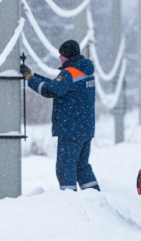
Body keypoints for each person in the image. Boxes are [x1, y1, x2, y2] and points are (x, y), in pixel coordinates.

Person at [21, 40, 99, 192]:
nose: (59, 57)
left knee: (65, 167)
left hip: (70, 129)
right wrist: (34, 76)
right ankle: (94, 196)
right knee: (81, 166)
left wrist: (30, 79)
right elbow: (57, 85)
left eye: (62, 54)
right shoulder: (84, 71)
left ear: (68, 56)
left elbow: (50, 90)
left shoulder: (69, 73)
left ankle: (68, 200)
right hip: (85, 128)